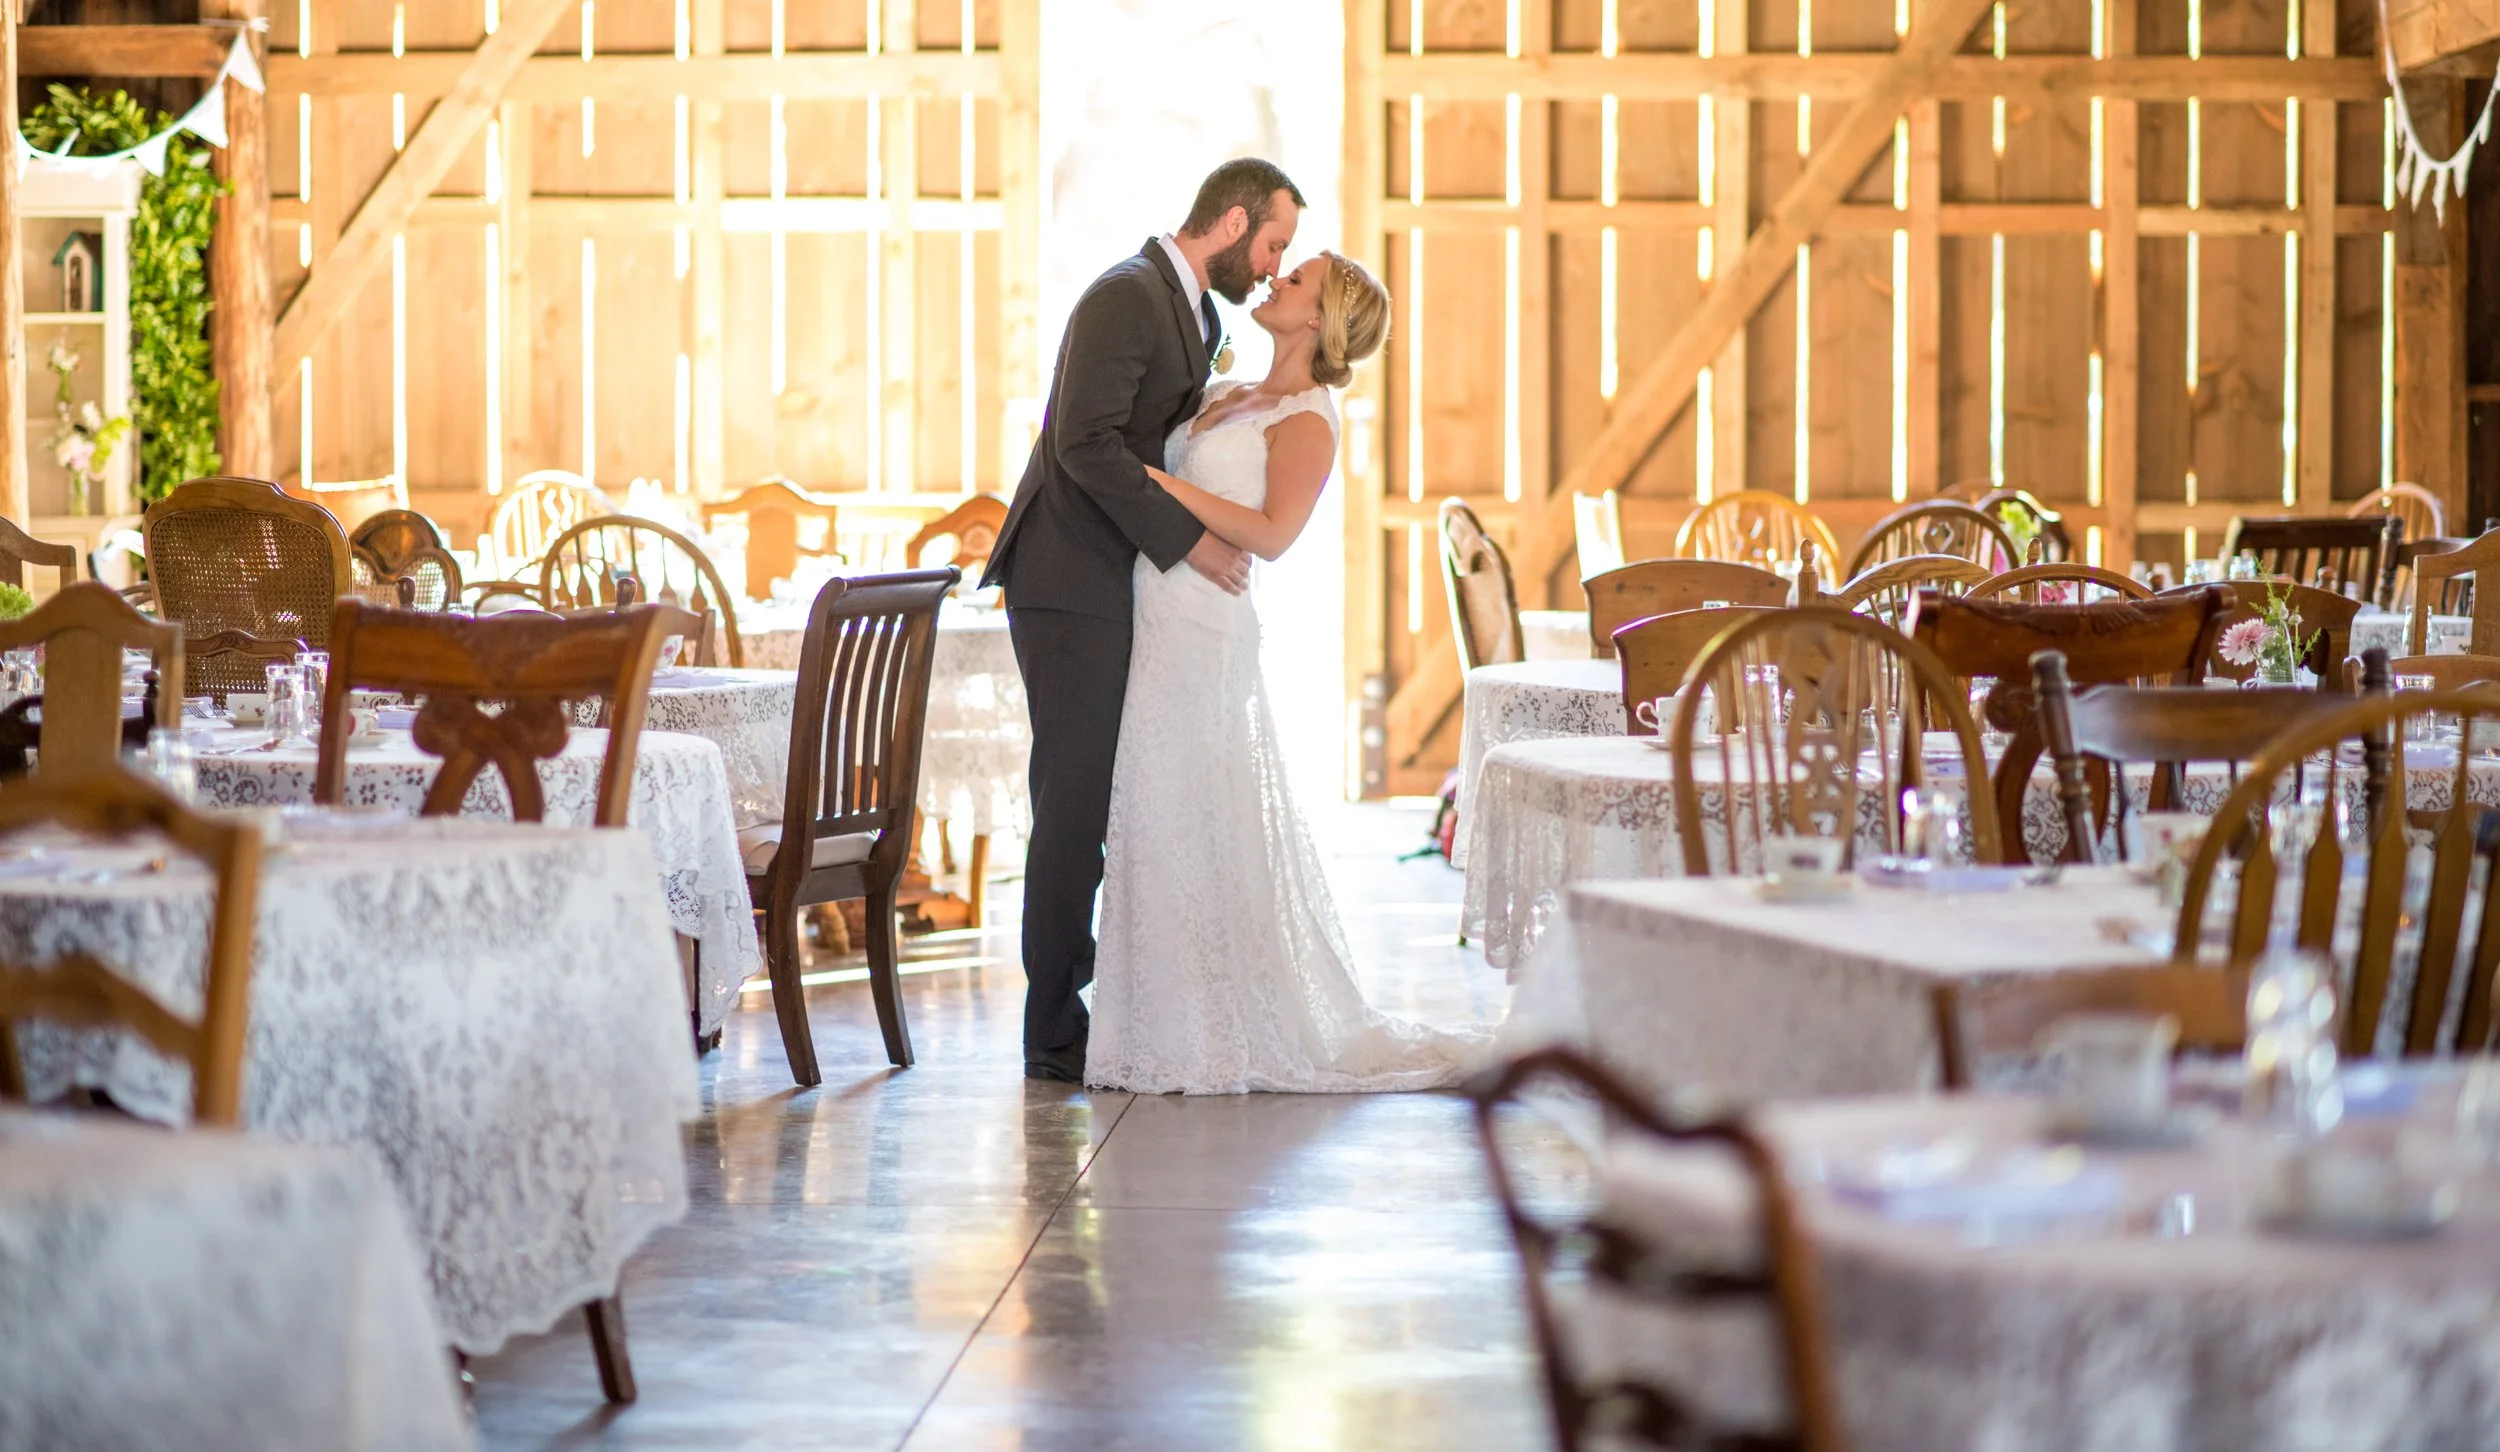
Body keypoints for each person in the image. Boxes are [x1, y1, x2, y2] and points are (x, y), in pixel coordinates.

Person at [1085, 249, 1489, 1094]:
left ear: (1320, 319)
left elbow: (1272, 534)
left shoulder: (1308, 417)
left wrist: (1157, 481)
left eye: (1295, 279)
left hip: (1206, 626)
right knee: (1153, 814)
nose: (1274, 282)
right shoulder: (1230, 394)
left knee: (1192, 808)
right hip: (1155, 613)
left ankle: (1212, 1033)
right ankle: (1155, 1025)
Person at [985, 158, 1303, 1083]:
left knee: (1108, 801)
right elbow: (1080, 441)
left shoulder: (1194, 312)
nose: (1274, 264)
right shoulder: (1127, 295)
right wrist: (1188, 542)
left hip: (1113, 582)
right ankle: (1052, 1029)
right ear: (1235, 222)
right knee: (1074, 804)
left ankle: (1110, 1001)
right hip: (1066, 578)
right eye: (1274, 243)